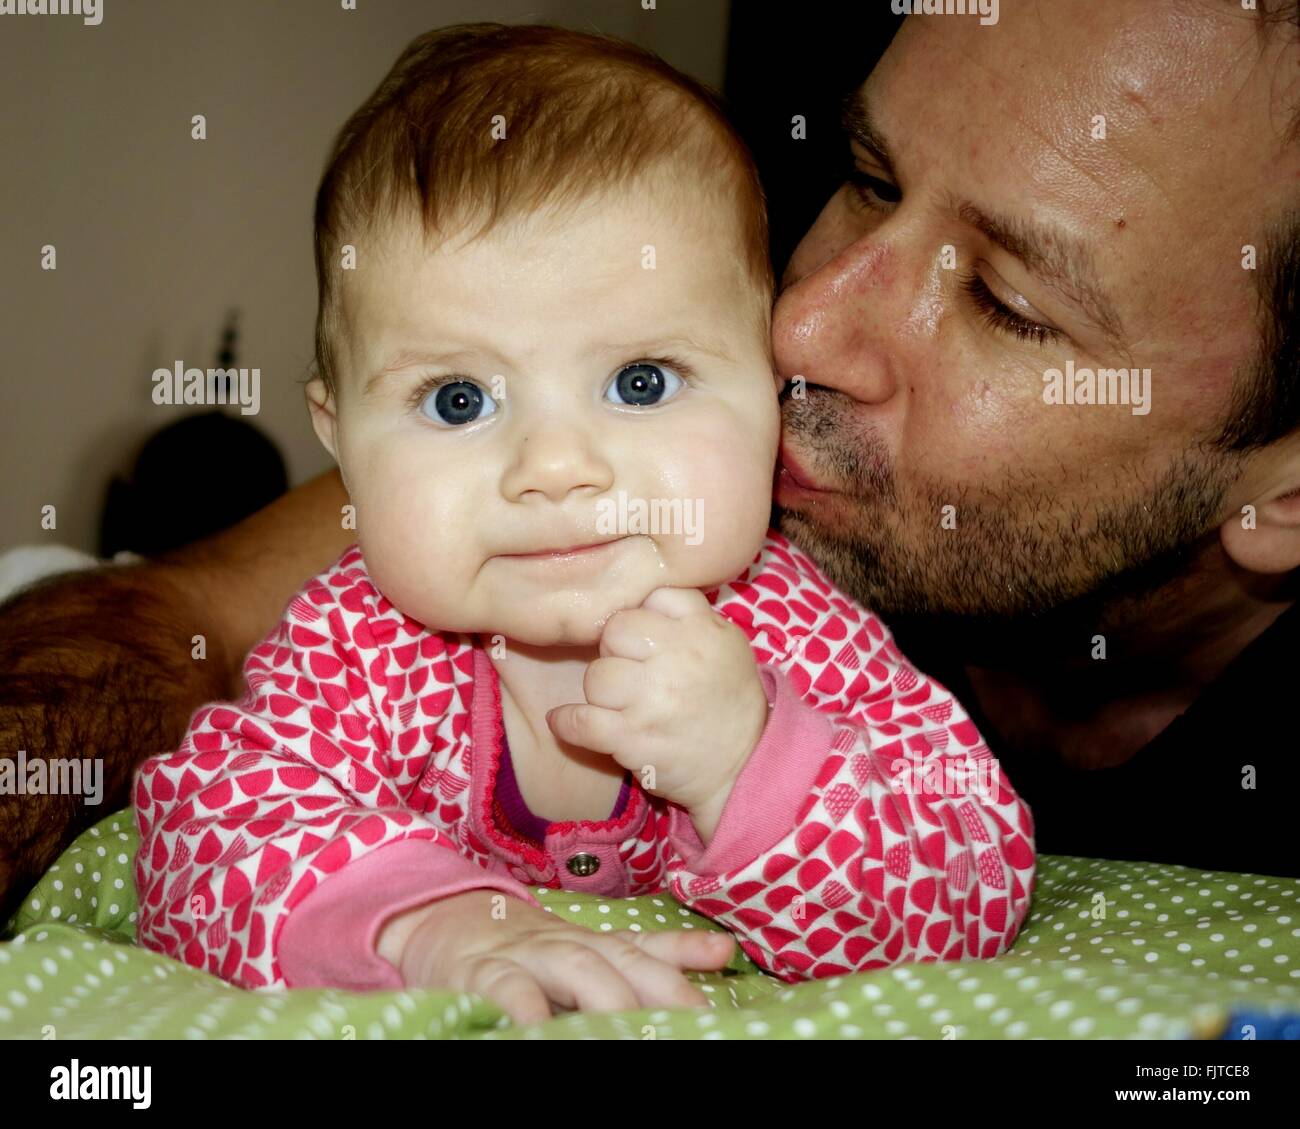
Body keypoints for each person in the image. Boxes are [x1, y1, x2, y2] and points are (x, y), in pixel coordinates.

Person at [2, 0, 1295, 920]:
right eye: (862, 176)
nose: (799, 329)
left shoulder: (794, 639)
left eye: (1008, 302)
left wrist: (754, 759)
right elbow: (196, 714)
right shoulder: (435, 585)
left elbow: (954, 868)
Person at [129, 24, 1032, 1024]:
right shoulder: (361, 647)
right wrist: (432, 928)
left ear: (770, 394)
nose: (555, 468)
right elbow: (202, 836)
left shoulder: (791, 633)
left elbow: (973, 877)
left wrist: (751, 757)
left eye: (640, 381)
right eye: (458, 400)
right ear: (340, 439)